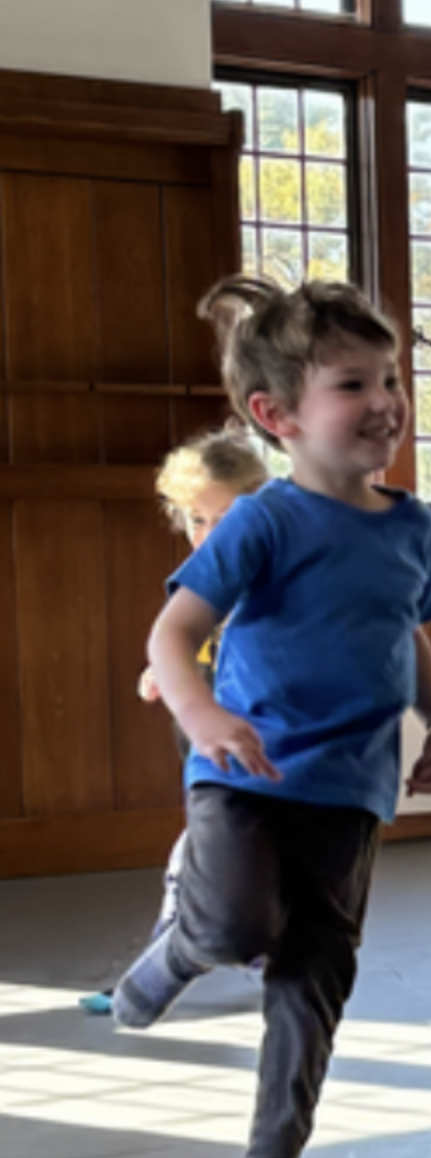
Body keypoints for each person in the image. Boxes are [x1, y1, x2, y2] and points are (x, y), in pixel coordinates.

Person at [111, 276, 431, 1158]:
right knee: (233, 928)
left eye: (390, 380)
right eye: (352, 385)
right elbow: (172, 632)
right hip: (245, 775)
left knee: (315, 975)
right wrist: (206, 716)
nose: (385, 402)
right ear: (278, 415)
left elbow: (404, 631)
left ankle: (275, 1149)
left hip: (352, 785)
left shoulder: (415, 529)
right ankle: (173, 956)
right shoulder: (264, 522)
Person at [79, 429, 268, 1016]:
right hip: (208, 765)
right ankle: (267, 959)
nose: (208, 535)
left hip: (258, 765)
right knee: (216, 872)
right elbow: (180, 641)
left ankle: (152, 980)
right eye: (195, 519)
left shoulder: (266, 587)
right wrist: (161, 671)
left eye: (225, 518)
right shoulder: (203, 587)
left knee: (194, 870)